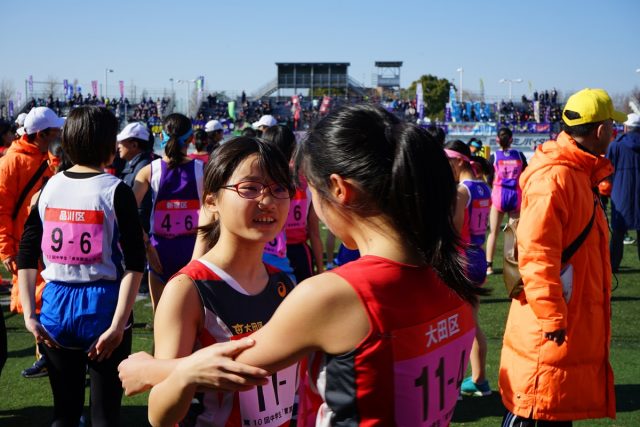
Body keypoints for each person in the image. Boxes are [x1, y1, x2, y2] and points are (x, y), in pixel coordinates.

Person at [128, 104, 482, 426]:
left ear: (339, 189)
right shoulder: (453, 276)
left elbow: (236, 363)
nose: (271, 200)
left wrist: (152, 369)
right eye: (250, 188)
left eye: (289, 188)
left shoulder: (330, 293)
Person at [119, 137, 297, 426]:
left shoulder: (283, 285)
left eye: (279, 189)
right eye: (250, 188)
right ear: (211, 201)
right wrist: (188, 373)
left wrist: (162, 369)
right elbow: (159, 415)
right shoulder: (187, 290)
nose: (268, 201)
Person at [499, 88, 624, 426]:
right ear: (600, 131)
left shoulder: (578, 174)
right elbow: (537, 253)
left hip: (563, 328)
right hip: (548, 331)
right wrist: (553, 316)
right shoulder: (557, 177)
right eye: (613, 126)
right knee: (536, 408)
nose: (615, 133)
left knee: (554, 408)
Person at [17, 106, 145, 426]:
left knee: (65, 412)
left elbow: (27, 250)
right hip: (103, 304)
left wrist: (31, 315)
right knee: (105, 415)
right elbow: (134, 262)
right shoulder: (116, 190)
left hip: (56, 304)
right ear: (107, 143)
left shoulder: (50, 187)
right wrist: (117, 325)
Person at [0, 107, 63, 378]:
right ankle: (49, 358)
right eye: (55, 130)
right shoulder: (11, 161)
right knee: (35, 304)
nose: (60, 133)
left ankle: (50, 358)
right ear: (41, 134)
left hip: (51, 243)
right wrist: (6, 250)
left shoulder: (47, 156)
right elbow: (1, 209)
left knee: (47, 301)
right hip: (27, 246)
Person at [133, 113, 203, 312]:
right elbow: (218, 214)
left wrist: (146, 244)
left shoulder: (148, 171)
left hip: (159, 251)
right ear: (191, 139)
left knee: (160, 318)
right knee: (194, 320)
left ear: (161, 136)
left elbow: (126, 214)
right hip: (194, 250)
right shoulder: (202, 170)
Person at [445, 140, 492, 397]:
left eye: (448, 162)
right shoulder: (482, 186)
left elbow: (452, 230)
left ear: (459, 161)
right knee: (471, 322)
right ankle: (480, 380)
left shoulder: (461, 191)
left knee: (455, 326)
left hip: (462, 259)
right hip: (478, 257)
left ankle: (452, 386)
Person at [262, 125, 324, 282]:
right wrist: (321, 269)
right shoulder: (306, 179)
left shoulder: (259, 181)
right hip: (299, 253)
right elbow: (314, 232)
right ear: (293, 148)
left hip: (267, 251)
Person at [485, 127, 527, 275]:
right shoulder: (520, 155)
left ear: (497, 139)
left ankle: (488, 265)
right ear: (511, 139)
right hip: (516, 195)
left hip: (499, 195)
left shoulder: (494, 156)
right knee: (513, 234)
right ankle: (512, 266)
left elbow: (489, 177)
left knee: (493, 233)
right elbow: (526, 174)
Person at [607, 113, 640, 272]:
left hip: (621, 193)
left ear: (626, 127)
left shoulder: (616, 145)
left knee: (618, 233)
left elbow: (606, 169)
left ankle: (613, 265)